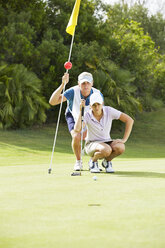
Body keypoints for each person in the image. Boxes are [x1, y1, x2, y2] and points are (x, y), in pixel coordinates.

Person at [49, 72, 103, 171]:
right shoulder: (73, 91)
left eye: (88, 83)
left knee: (94, 138)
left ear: (92, 83)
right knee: (76, 136)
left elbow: (100, 111)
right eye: (83, 83)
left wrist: (88, 124)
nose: (86, 85)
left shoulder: (97, 93)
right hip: (73, 116)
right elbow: (52, 101)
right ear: (79, 83)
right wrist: (63, 85)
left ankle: (93, 161)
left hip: (90, 118)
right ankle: (78, 161)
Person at [74, 92, 134, 173]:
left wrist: (124, 139)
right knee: (106, 150)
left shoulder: (109, 110)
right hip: (91, 145)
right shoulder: (87, 114)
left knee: (121, 147)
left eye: (98, 104)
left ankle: (107, 162)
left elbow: (129, 120)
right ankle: (93, 162)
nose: (97, 107)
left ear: (102, 103)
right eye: (94, 105)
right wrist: (81, 111)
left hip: (107, 142)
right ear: (90, 106)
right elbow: (77, 129)